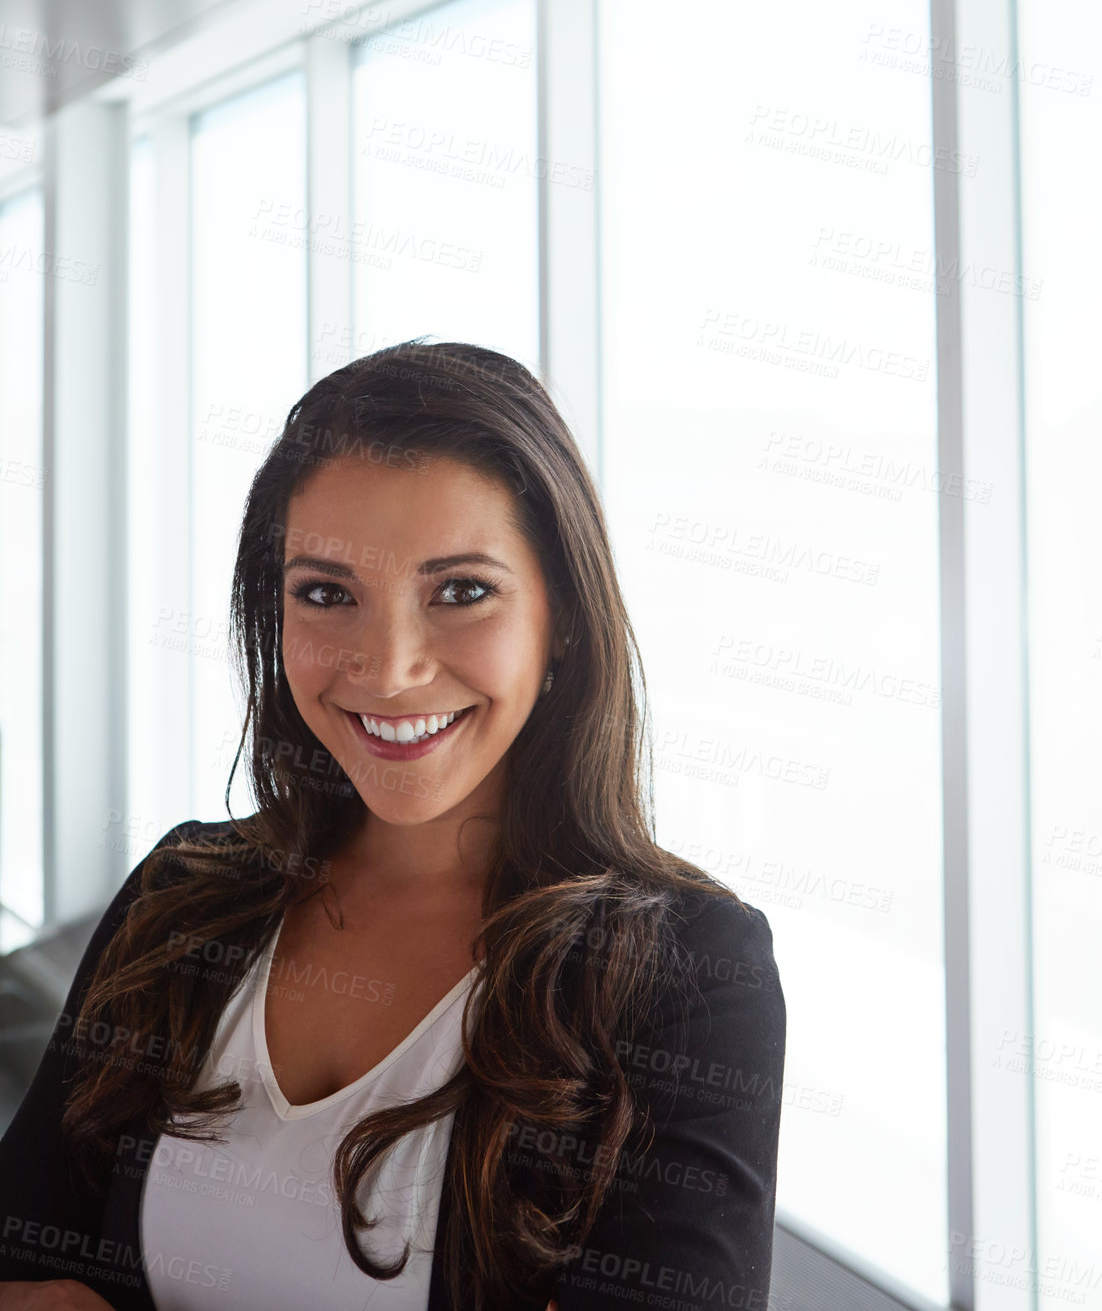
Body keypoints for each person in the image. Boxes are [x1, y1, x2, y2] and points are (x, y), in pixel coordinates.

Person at [0, 339, 786, 1311]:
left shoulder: (692, 971)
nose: (389, 667)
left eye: (460, 591)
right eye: (327, 594)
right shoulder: (184, 888)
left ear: (564, 620)